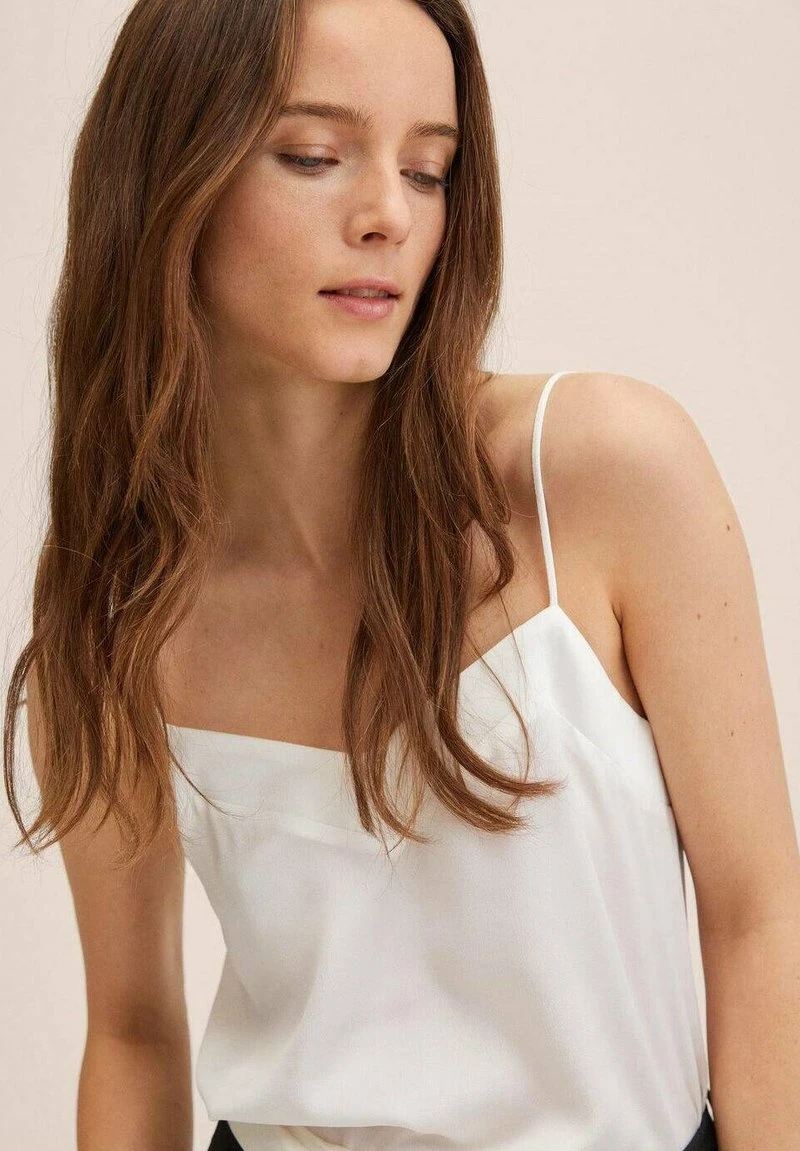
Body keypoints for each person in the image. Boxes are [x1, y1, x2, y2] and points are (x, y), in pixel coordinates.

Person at [6, 0, 798, 1148]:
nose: (387, 214)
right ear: (166, 177)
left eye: (428, 170)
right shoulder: (122, 604)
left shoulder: (598, 469)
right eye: (312, 156)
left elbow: (759, 916)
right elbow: (131, 1030)